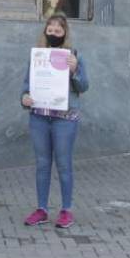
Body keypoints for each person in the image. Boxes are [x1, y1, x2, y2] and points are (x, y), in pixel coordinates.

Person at [21, 13, 89, 229]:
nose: (53, 35)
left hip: (65, 119)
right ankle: (41, 209)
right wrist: (25, 98)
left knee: (63, 164)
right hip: (39, 117)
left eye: (57, 31)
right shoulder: (37, 57)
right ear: (45, 32)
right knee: (42, 164)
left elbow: (84, 86)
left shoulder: (74, 56)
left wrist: (74, 70)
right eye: (50, 31)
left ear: (65, 33)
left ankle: (66, 210)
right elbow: (26, 85)